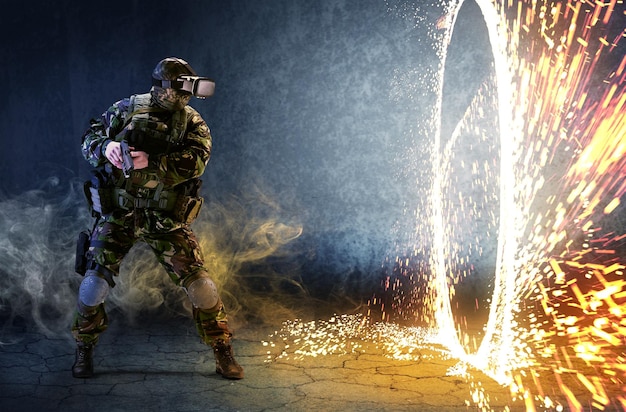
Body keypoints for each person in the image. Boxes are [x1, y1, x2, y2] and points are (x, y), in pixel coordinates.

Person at [71, 57, 243, 380]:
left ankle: (222, 348)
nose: (184, 98)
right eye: (180, 89)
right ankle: (84, 344)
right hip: (120, 213)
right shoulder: (127, 108)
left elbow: (196, 162)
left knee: (203, 288)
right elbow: (89, 138)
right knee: (92, 287)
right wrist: (106, 147)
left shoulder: (193, 122)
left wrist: (153, 163)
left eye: (189, 91)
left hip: (165, 218)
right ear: (162, 87)